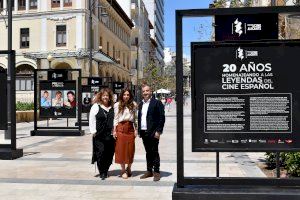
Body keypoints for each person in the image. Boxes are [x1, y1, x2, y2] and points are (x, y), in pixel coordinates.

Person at [138, 84, 165, 181]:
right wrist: (139, 131)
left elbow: (162, 118)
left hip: (153, 132)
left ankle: (156, 171)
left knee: (154, 151)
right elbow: (140, 118)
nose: (145, 92)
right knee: (148, 152)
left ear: (151, 91)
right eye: (144, 91)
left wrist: (159, 131)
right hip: (144, 131)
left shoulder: (157, 103)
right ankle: (149, 171)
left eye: (147, 91)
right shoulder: (141, 104)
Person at [89, 88, 115, 180]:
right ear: (100, 96)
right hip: (99, 134)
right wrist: (93, 131)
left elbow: (115, 120)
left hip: (110, 135)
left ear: (109, 97)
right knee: (100, 152)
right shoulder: (96, 106)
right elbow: (91, 119)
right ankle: (102, 172)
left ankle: (106, 169)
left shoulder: (112, 107)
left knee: (109, 153)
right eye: (104, 95)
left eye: (107, 95)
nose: (105, 97)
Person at [113, 88, 137, 179]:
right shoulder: (117, 105)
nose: (126, 96)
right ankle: (123, 170)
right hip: (121, 128)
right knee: (121, 150)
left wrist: (136, 129)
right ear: (122, 95)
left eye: (128, 95)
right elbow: (115, 118)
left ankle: (129, 168)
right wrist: (114, 130)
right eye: (124, 94)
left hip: (130, 128)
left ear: (130, 96)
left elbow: (135, 118)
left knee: (131, 149)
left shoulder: (134, 104)